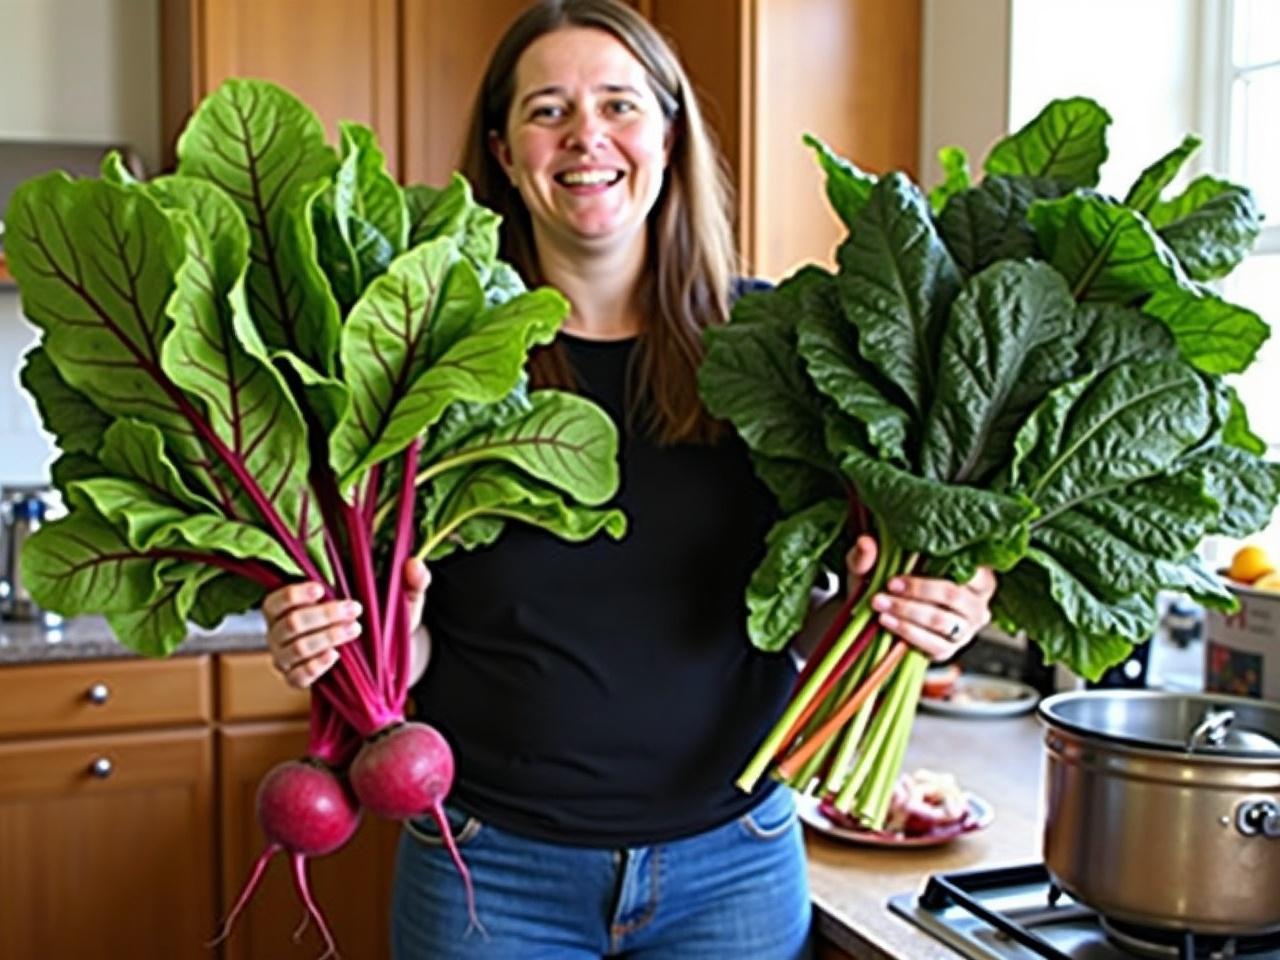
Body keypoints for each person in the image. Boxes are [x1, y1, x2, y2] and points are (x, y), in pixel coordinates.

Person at [261, 2, 997, 957]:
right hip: (491, 868)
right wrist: (348, 642)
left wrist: (902, 613)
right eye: (547, 111)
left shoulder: (778, 347)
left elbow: (802, 624)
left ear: (669, 132)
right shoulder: (430, 359)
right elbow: (417, 653)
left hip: (732, 865)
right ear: (501, 148)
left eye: (619, 104)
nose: (586, 137)